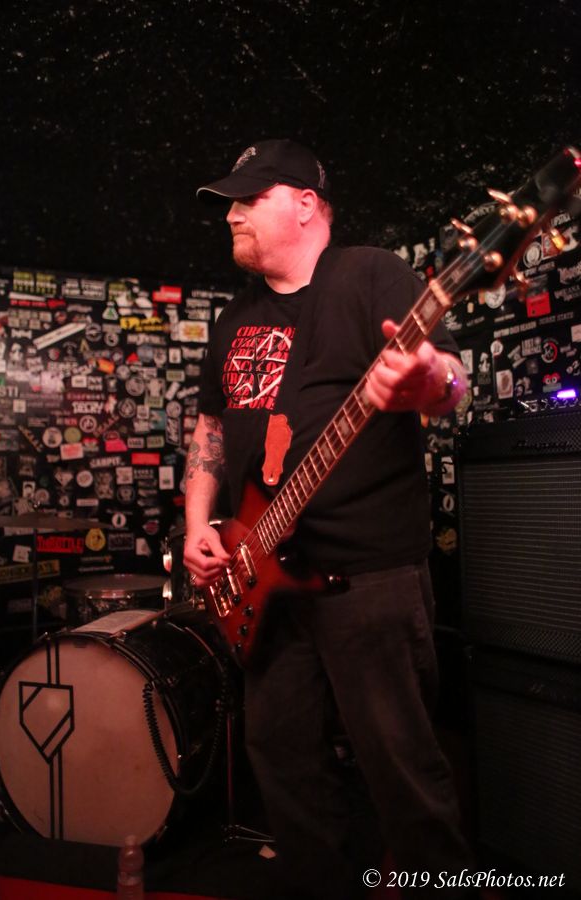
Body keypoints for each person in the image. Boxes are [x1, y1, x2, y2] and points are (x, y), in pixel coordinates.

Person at [184, 138, 473, 899]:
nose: (233, 215)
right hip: (263, 579)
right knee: (283, 765)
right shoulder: (235, 317)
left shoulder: (372, 275)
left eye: (251, 198)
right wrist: (199, 526)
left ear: (306, 204)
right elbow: (210, 432)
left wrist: (428, 383)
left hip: (370, 579)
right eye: (230, 203)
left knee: (403, 771)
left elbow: (450, 380)